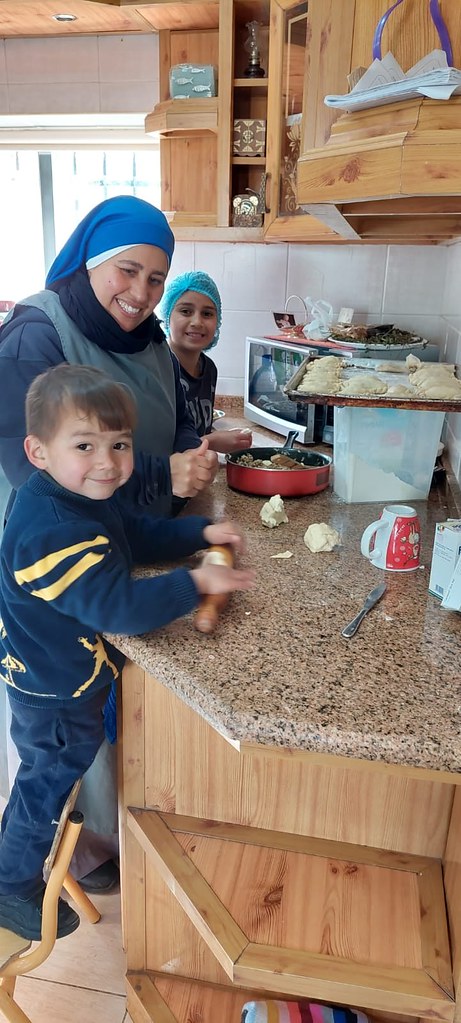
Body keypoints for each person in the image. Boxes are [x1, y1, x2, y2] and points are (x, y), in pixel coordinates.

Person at [0, 195, 219, 892]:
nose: (142, 292)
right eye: (129, 270)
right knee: (61, 735)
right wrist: (156, 474)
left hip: (116, 534)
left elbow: (153, 417)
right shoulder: (37, 331)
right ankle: (66, 855)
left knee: (92, 712)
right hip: (67, 564)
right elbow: (46, 463)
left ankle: (98, 828)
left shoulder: (145, 332)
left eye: (157, 278)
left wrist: (185, 474)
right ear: (91, 259)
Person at [0, 364, 255, 941]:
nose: (108, 462)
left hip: (68, 670)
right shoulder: (50, 528)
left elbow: (132, 535)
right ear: (38, 452)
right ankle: (9, 885)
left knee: (50, 778)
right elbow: (117, 607)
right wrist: (194, 585)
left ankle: (16, 863)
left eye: (119, 445)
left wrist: (198, 536)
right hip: (54, 687)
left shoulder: (81, 495)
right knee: (46, 781)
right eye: (84, 445)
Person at [159, 271, 253, 453]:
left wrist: (227, 438)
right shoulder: (159, 368)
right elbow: (159, 450)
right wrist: (212, 442)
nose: (197, 322)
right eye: (186, 311)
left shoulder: (208, 368)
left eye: (207, 313)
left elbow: (198, 429)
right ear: (167, 316)